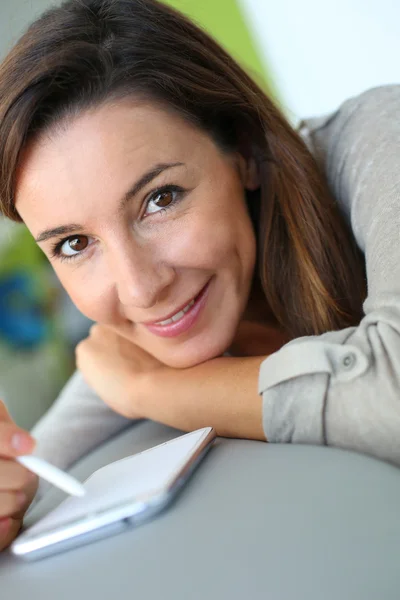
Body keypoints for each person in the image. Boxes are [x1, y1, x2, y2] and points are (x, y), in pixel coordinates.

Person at [0, 0, 398, 551]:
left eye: (160, 200)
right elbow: (33, 460)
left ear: (246, 150)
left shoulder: (382, 138)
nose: (140, 289)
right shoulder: (139, 340)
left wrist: (154, 389)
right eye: (74, 244)